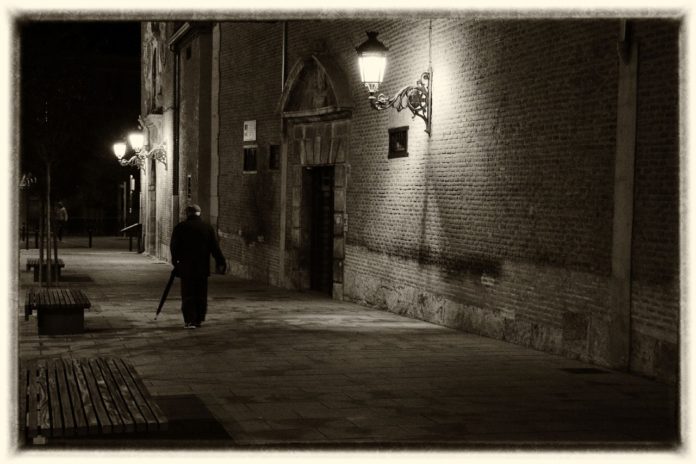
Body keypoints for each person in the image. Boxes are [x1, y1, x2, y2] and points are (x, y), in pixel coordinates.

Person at [170, 204, 226, 329]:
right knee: (201, 294)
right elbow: (214, 247)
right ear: (199, 213)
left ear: (187, 213)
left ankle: (190, 320)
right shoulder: (207, 227)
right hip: (202, 267)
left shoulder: (180, 227)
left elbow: (174, 247)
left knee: (188, 294)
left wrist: (175, 262)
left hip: (186, 267)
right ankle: (199, 319)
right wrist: (220, 261)